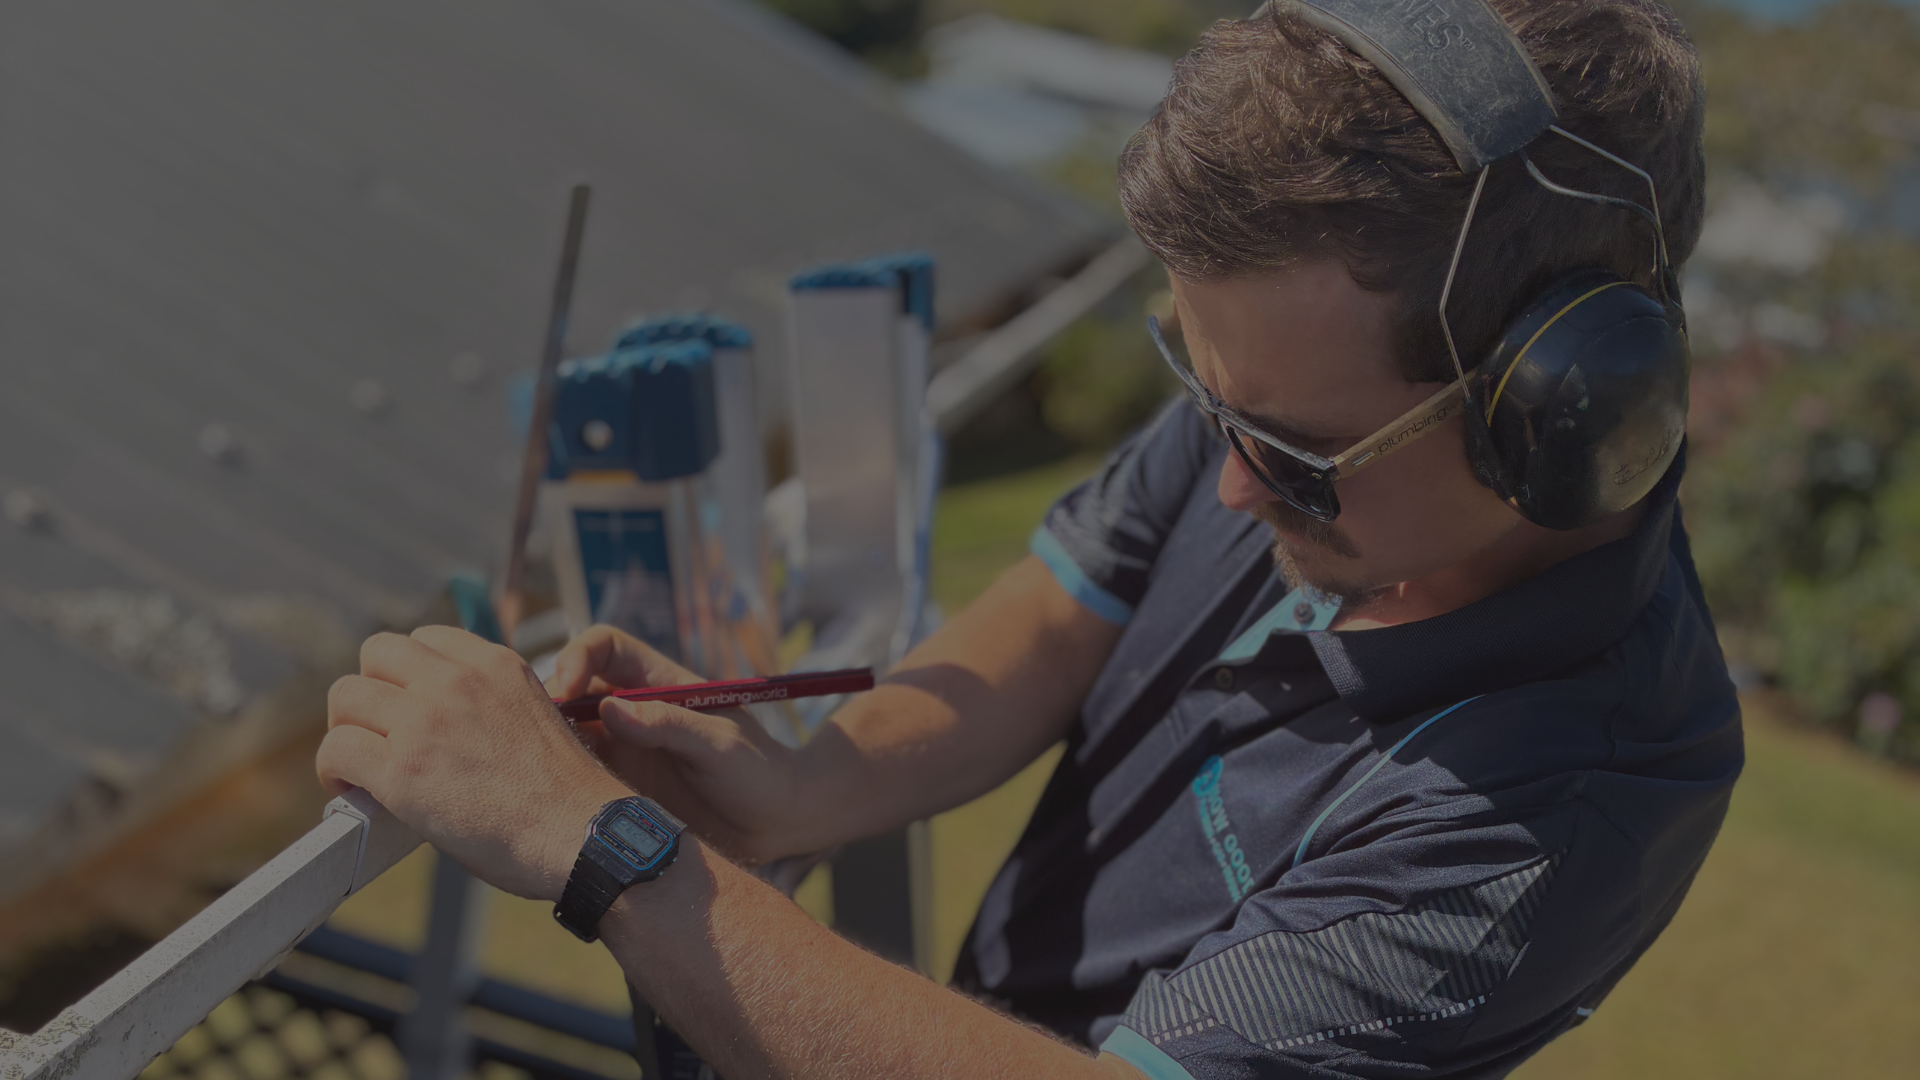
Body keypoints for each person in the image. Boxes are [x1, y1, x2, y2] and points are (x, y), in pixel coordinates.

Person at [316, 2, 1742, 1077]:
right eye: (1208, 401)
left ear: (1564, 412)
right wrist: (810, 791)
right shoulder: (1302, 389)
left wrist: (597, 847)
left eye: (1299, 459)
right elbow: (1069, 608)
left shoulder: (1554, 816)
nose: (1233, 490)